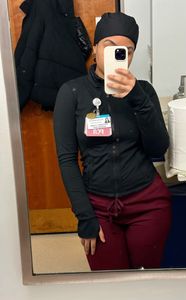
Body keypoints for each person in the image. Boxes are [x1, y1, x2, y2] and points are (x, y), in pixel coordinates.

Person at [53, 12, 171, 271]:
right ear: (95, 48)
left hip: (147, 203)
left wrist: (138, 97)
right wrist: (84, 216)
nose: (119, 53)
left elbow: (158, 149)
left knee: (145, 279)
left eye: (127, 50)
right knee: (108, 282)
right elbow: (66, 159)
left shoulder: (144, 91)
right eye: (110, 45)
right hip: (97, 206)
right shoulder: (72, 92)